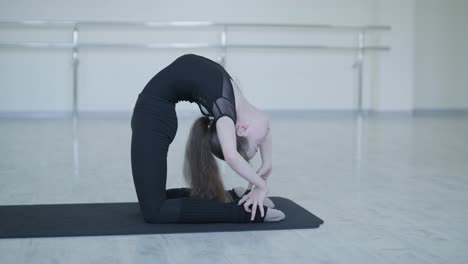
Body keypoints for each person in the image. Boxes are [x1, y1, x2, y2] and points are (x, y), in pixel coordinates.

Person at [130, 53, 285, 224]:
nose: (262, 141)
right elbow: (234, 154)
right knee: (153, 205)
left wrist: (265, 168)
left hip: (154, 114)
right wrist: (263, 180)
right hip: (153, 115)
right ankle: (236, 201)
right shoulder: (228, 104)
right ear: (242, 129)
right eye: (257, 145)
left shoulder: (230, 104)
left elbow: (259, 133)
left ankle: (244, 210)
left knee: (154, 210)